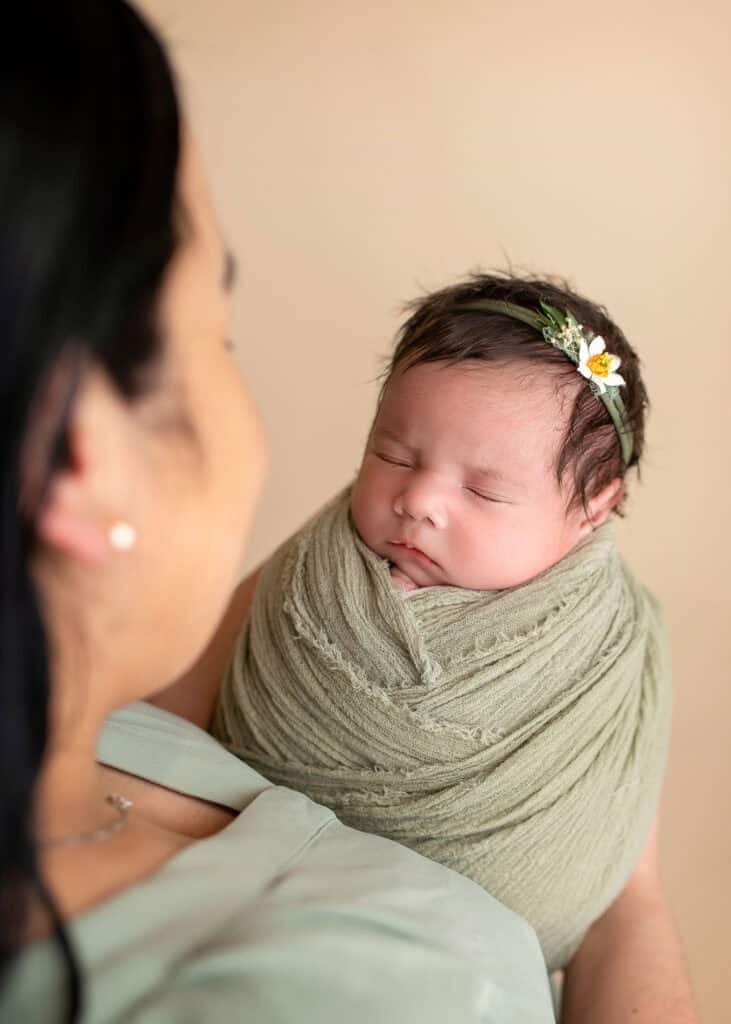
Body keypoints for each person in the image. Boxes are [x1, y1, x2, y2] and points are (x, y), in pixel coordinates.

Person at [0, 3, 559, 1022]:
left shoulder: (102, 720)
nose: (407, 502)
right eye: (220, 333)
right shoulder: (410, 981)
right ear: (79, 453)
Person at [169, 274, 700, 1020]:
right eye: (393, 453)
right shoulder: (311, 570)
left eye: (482, 492)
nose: (418, 499)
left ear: (591, 507)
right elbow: (161, 729)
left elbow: (620, 886)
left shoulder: (612, 654)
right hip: (236, 936)